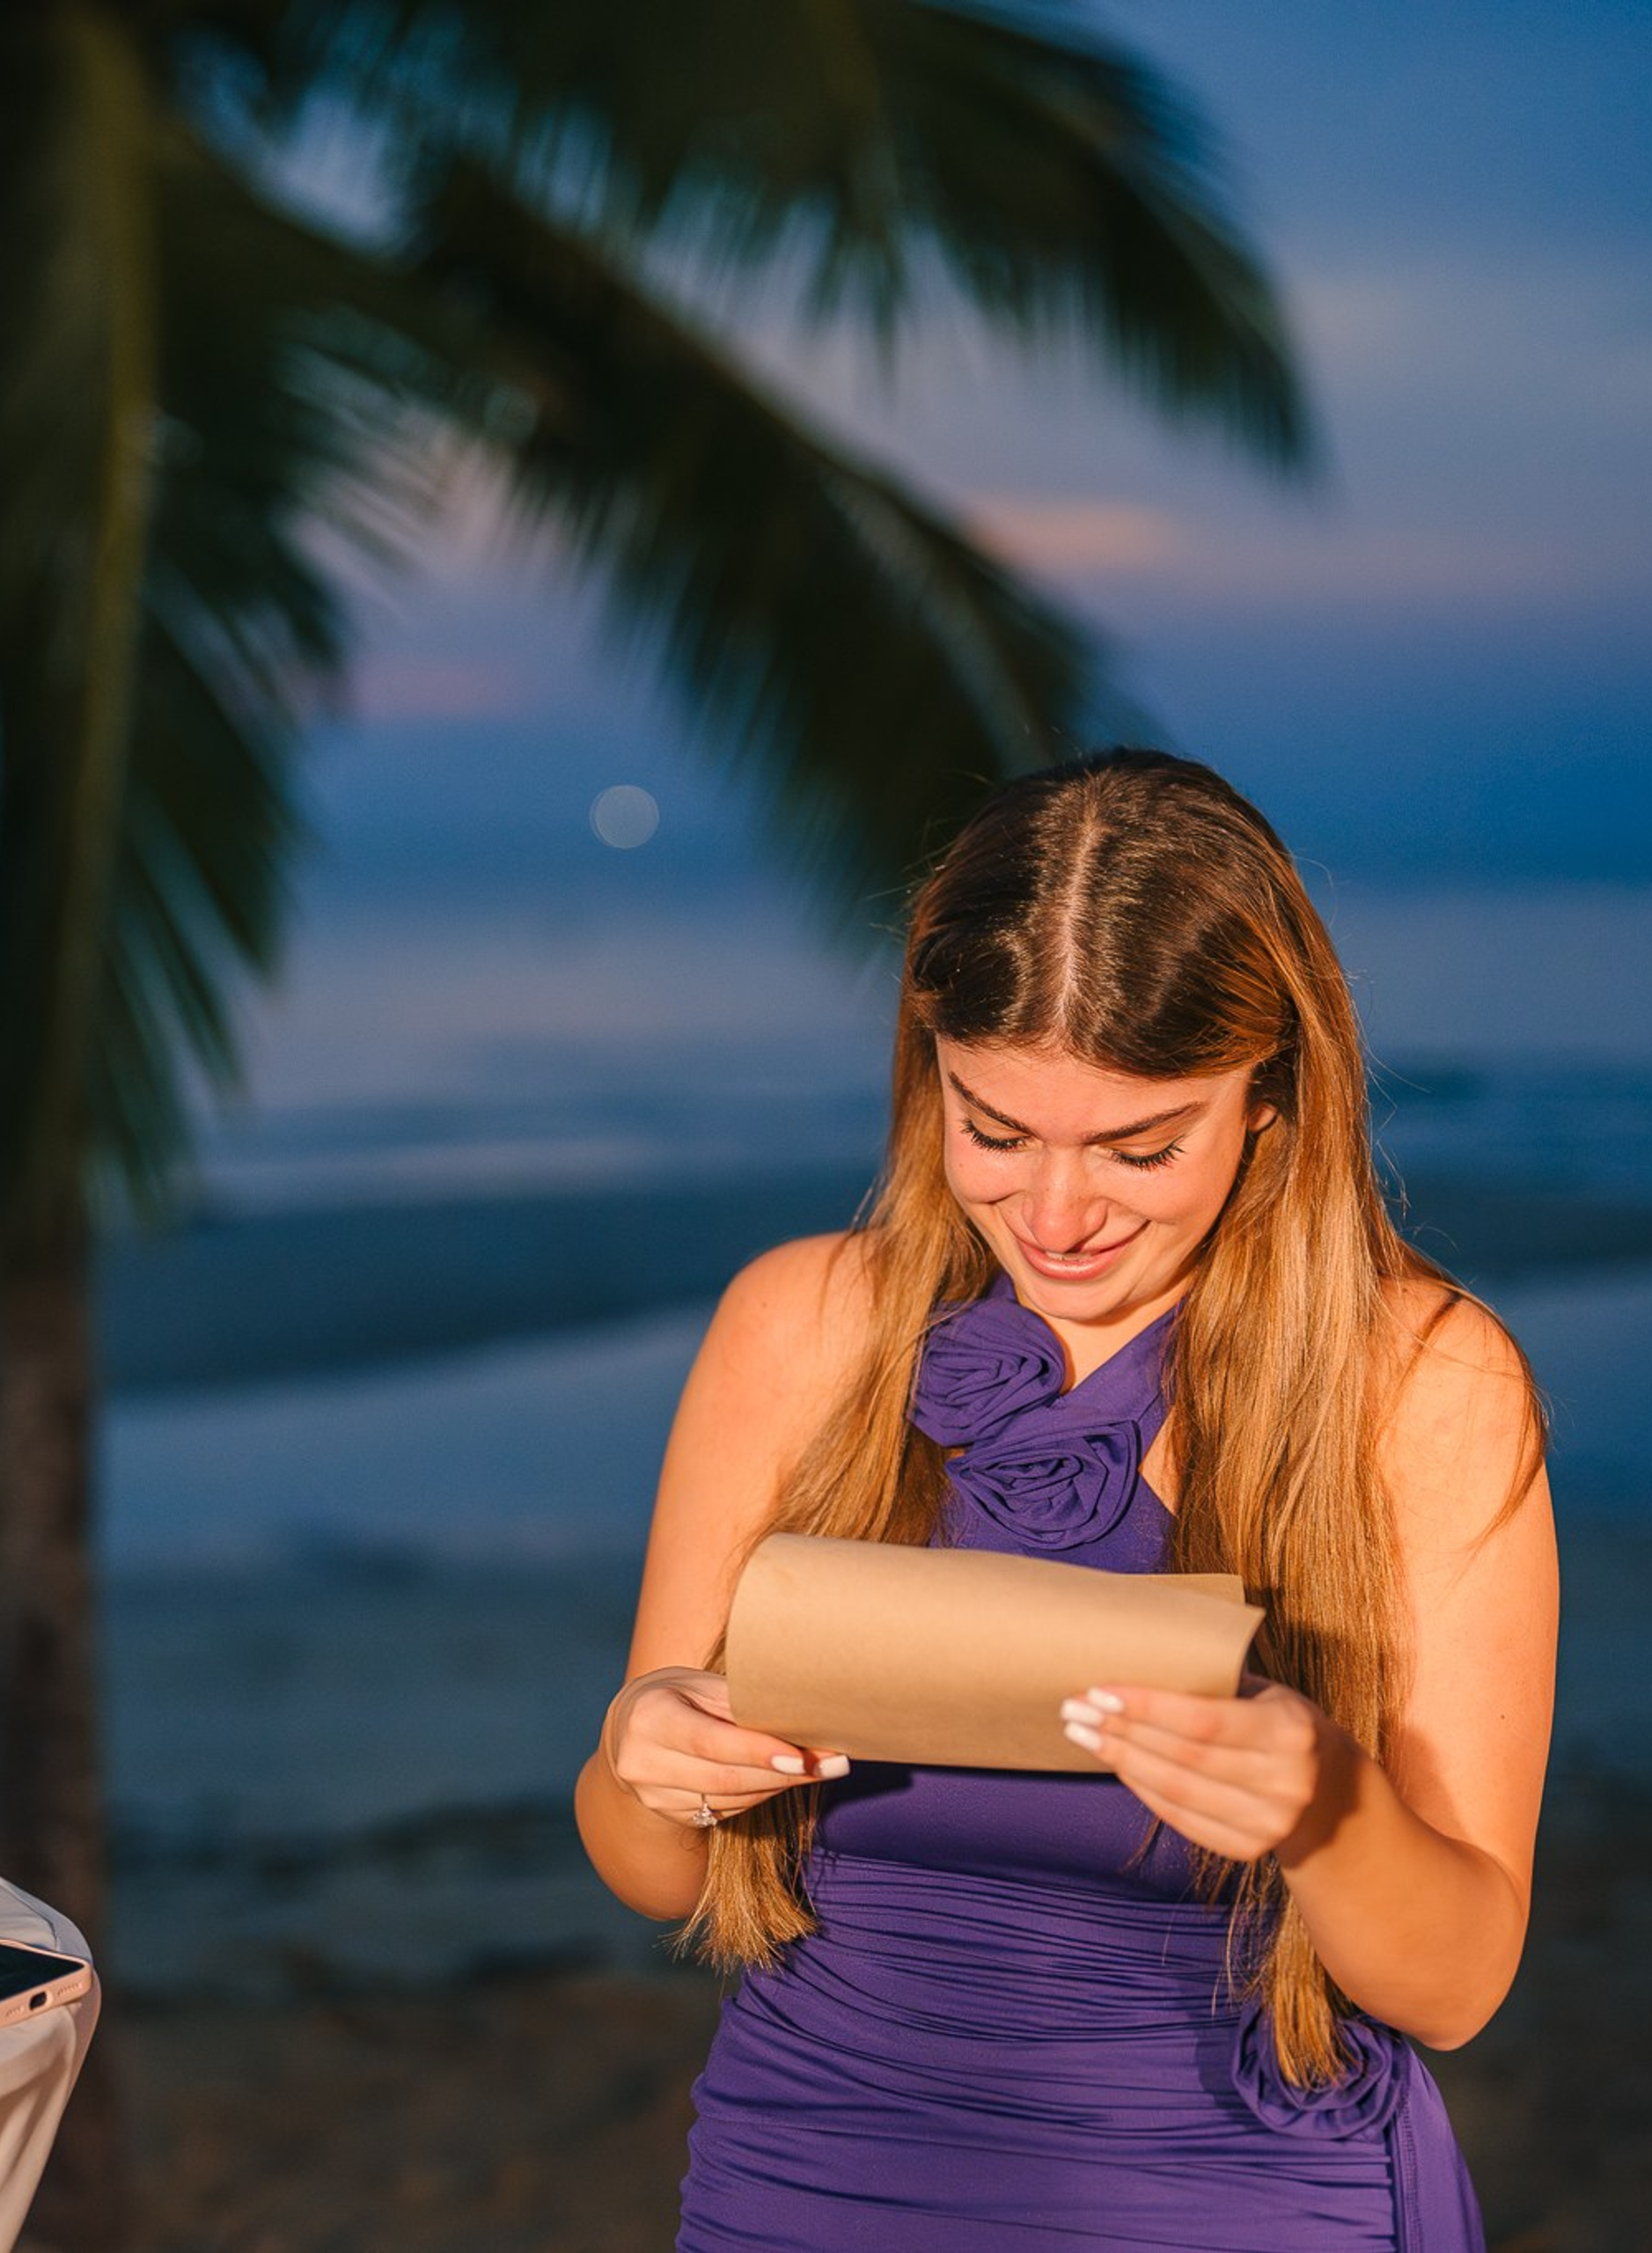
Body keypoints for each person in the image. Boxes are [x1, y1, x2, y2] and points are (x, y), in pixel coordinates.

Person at [576, 751, 1557, 2250]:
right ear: (930, 1073)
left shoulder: (1423, 1384)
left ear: (1272, 1099)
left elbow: (1460, 1984)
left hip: (1234, 2199)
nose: (1056, 1216)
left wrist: (1327, 1812)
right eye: (994, 1128)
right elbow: (656, 1869)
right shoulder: (800, 1326)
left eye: (1139, 1146)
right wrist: (646, 1756)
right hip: (806, 2182)